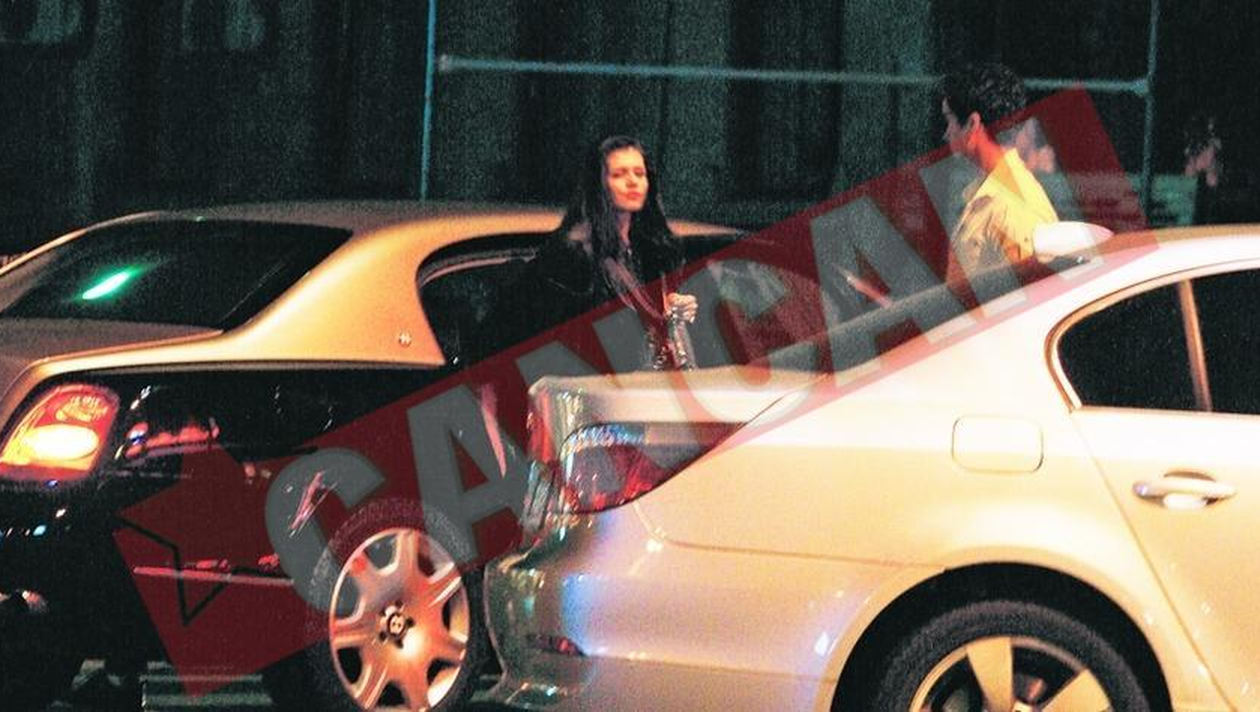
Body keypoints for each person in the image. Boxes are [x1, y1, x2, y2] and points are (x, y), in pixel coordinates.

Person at [487, 135, 698, 369]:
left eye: (639, 173)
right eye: (619, 174)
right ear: (599, 183)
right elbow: (555, 338)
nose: (632, 182)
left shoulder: (648, 250)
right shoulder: (574, 253)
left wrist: (672, 306)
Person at [940, 62, 1059, 279]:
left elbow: (1034, 294)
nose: (946, 133)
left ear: (973, 124)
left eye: (949, 120)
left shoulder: (1010, 207)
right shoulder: (991, 192)